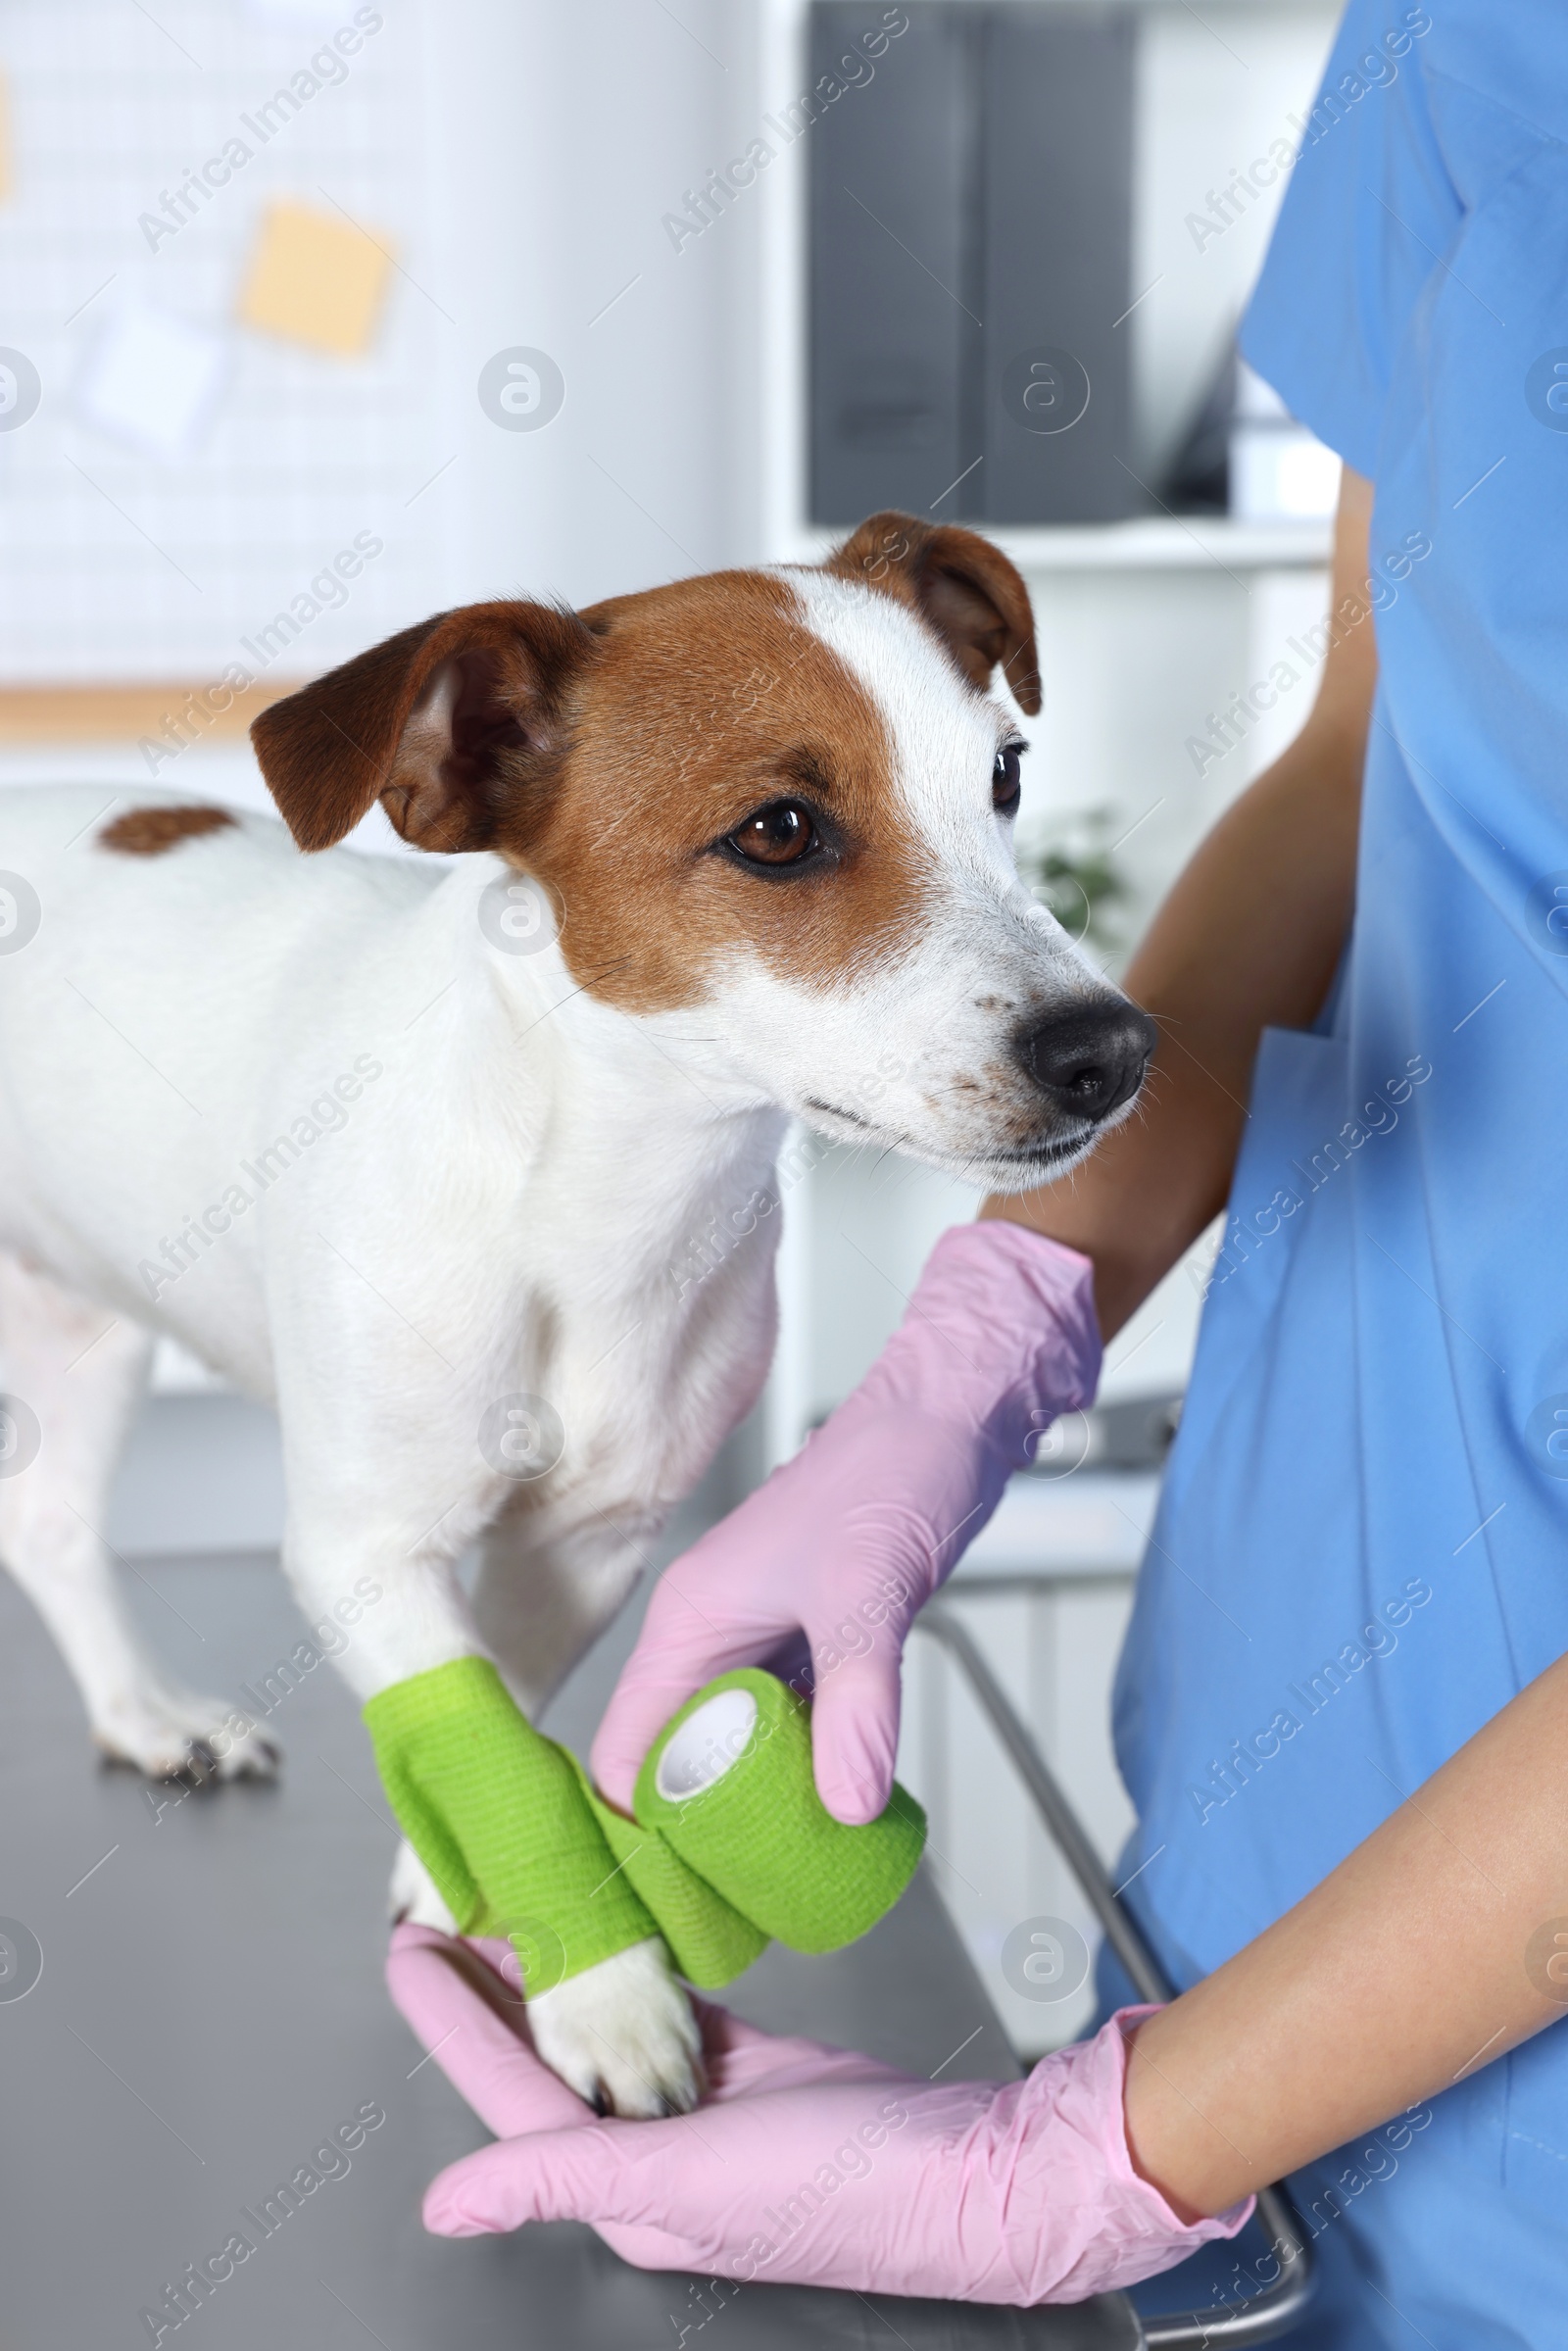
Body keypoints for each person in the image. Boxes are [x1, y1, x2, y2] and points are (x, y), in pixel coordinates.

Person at [388, 2, 1568, 2336]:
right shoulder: (1465, 39)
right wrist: (975, 1354)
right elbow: (1367, 752)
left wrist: (1088, 2167)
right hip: (1271, 1810)